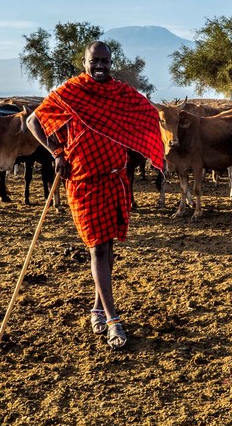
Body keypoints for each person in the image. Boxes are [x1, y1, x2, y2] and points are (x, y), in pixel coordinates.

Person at [27, 41, 164, 350]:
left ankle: (97, 307)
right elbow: (32, 121)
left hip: (115, 181)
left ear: (111, 62)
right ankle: (114, 319)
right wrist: (56, 153)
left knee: (108, 248)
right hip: (83, 183)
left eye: (105, 60)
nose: (100, 65)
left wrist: (146, 138)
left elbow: (147, 113)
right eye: (94, 61)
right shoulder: (71, 93)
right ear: (84, 62)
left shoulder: (121, 94)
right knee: (97, 249)